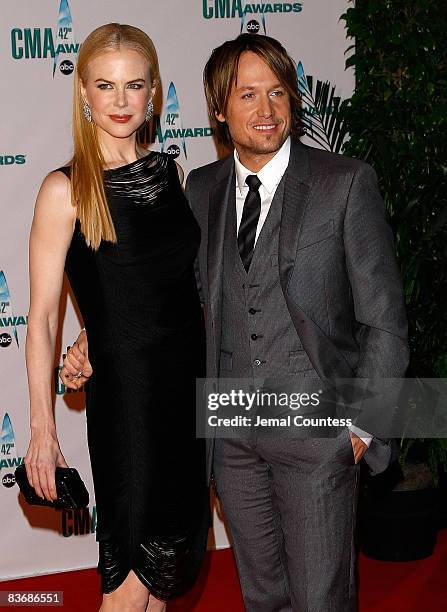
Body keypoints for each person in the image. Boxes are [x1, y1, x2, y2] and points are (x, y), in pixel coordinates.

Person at [63, 34, 409, 611]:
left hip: (318, 432)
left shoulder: (344, 183)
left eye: (277, 92)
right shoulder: (200, 188)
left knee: (321, 600)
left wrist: (359, 431)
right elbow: (167, 293)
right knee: (262, 595)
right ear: (219, 109)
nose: (267, 110)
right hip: (230, 436)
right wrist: (92, 338)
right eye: (248, 95)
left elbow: (385, 322)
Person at [24, 23, 209, 612]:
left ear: (154, 90)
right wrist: (42, 429)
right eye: (106, 86)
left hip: (185, 398)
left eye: (134, 85)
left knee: (162, 586)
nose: (122, 101)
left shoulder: (171, 175)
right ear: (84, 91)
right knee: (129, 590)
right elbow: (42, 317)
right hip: (130, 407)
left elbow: (160, 288)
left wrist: (90, 334)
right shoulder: (66, 191)